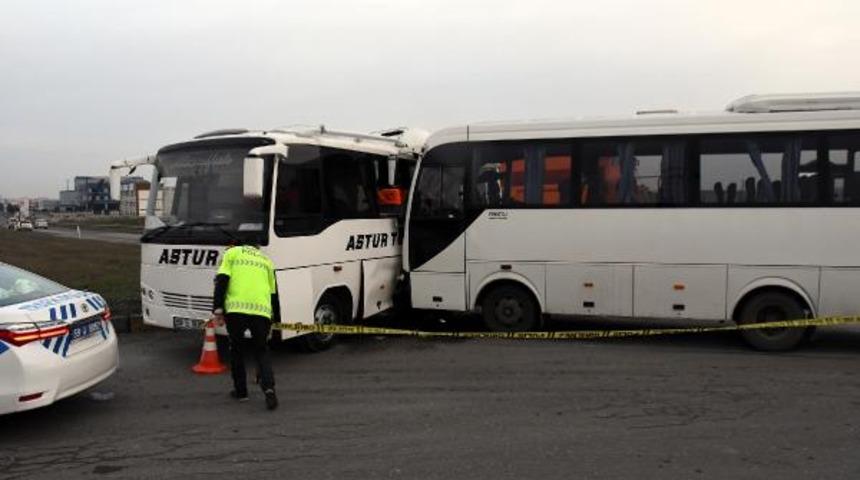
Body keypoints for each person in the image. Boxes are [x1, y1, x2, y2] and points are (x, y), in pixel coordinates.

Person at [211, 243, 279, 410]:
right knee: (261, 350)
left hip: (236, 310)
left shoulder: (231, 252)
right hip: (262, 311)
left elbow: (222, 281)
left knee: (237, 349)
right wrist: (273, 317)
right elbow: (273, 294)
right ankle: (269, 389)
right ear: (256, 247)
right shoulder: (266, 260)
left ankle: (241, 392)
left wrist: (218, 308)